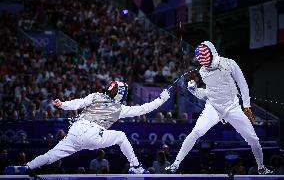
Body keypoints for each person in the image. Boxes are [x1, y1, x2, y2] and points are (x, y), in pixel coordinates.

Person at [6, 81, 170, 175]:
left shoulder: (95, 96)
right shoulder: (120, 109)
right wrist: (162, 99)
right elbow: (144, 109)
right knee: (120, 136)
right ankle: (135, 167)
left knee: (51, 155)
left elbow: (78, 102)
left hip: (75, 131)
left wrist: (62, 104)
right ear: (121, 95)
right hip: (92, 133)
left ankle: (26, 167)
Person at [165, 41, 272, 175]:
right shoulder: (203, 71)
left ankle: (261, 167)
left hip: (232, 107)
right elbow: (209, 93)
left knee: (253, 139)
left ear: (213, 53)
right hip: (213, 107)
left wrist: (247, 106)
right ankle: (175, 164)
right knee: (196, 132)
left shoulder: (229, 63)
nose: (207, 65)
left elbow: (243, 84)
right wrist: (194, 90)